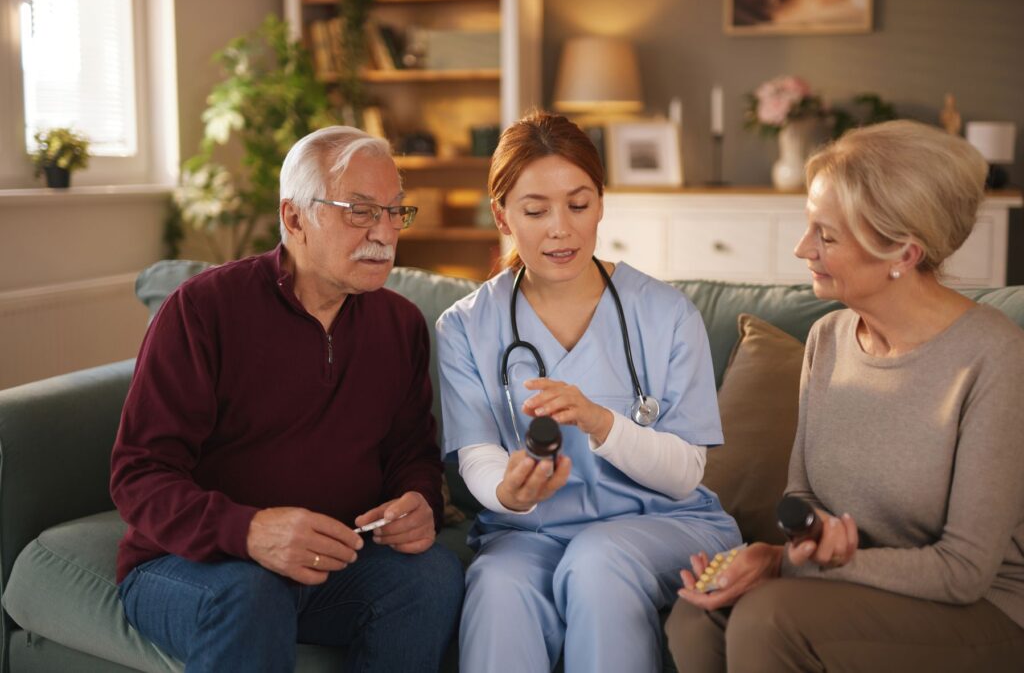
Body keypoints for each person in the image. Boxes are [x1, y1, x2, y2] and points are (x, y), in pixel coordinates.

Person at [666, 120, 1024, 672]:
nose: (802, 248)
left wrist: (787, 564)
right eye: (809, 227)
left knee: (769, 616)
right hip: (852, 589)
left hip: (982, 610)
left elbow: (964, 571)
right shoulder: (827, 339)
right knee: (697, 616)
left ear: (902, 253)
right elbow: (804, 493)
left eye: (826, 236)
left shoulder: (994, 357)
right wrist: (803, 544)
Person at [110, 126, 463, 672]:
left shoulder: (401, 325)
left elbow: (410, 455)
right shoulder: (202, 310)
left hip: (337, 561)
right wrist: (248, 531)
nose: (386, 233)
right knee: (252, 595)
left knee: (432, 578)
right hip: (195, 564)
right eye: (361, 211)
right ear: (295, 217)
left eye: (396, 212)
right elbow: (138, 475)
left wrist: (418, 501)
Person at [435, 111, 741, 673]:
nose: (561, 228)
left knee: (599, 559)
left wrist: (602, 422)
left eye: (579, 205)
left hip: (664, 524)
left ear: (601, 204)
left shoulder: (667, 315)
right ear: (502, 217)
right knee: (498, 585)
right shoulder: (466, 326)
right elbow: (478, 456)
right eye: (535, 210)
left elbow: (684, 474)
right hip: (532, 531)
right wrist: (511, 493)